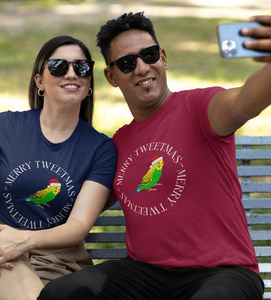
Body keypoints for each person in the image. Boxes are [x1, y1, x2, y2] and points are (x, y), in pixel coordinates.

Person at [37, 12, 271, 300]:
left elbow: (247, 100)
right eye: (126, 63)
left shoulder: (202, 108)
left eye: (148, 55)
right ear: (111, 76)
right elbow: (68, 200)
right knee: (61, 294)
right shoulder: (118, 145)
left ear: (163, 57)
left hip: (224, 272)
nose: (141, 68)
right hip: (146, 274)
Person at [0, 35, 117, 300]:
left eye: (81, 68)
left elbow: (79, 225)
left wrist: (22, 241)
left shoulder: (100, 149)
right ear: (39, 81)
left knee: (2, 261)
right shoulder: (4, 127)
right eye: (59, 66)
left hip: (55, 261)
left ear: (88, 86)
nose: (72, 73)